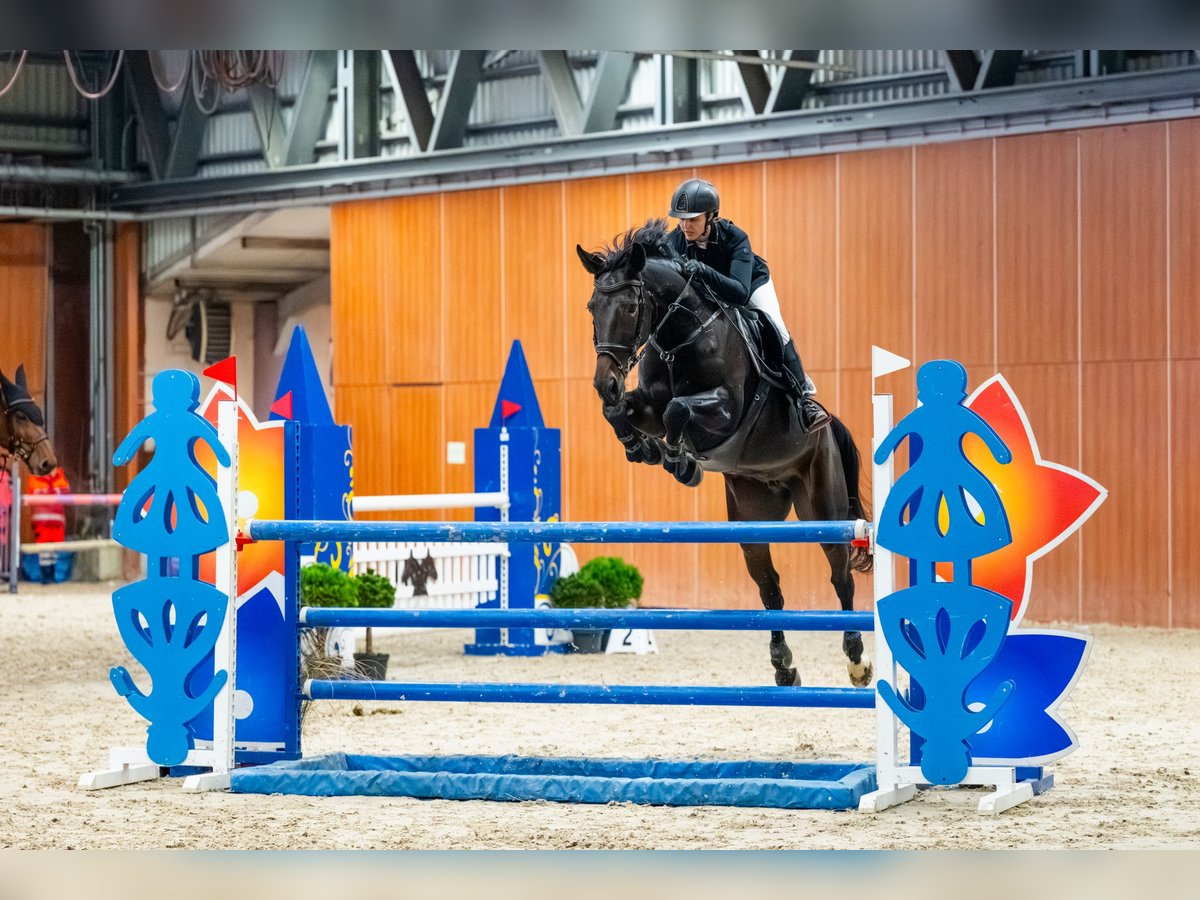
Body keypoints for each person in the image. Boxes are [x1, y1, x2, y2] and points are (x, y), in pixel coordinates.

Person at [665, 177, 828, 431]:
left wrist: (705, 271)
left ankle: (804, 399)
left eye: (693, 219)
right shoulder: (674, 241)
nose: (685, 226)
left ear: (711, 217)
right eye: (681, 219)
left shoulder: (736, 238)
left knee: (775, 325)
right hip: (709, 293)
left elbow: (739, 293)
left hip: (750, 284)